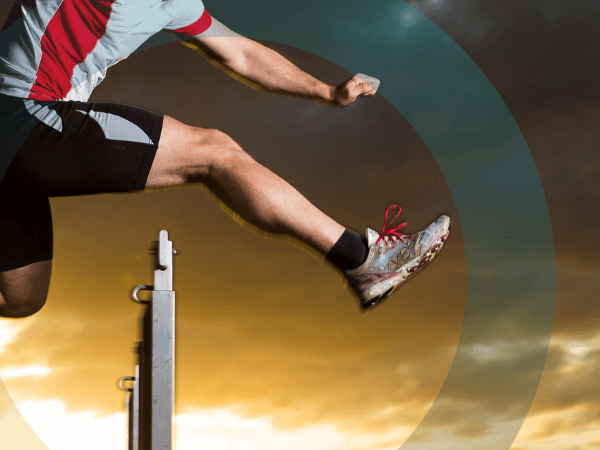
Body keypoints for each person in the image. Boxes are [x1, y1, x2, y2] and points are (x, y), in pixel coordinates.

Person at [0, 0, 450, 319]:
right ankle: (361, 258)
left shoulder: (173, 3)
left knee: (22, 297)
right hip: (19, 113)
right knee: (215, 153)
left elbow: (243, 52)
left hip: (19, 147)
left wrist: (328, 92)